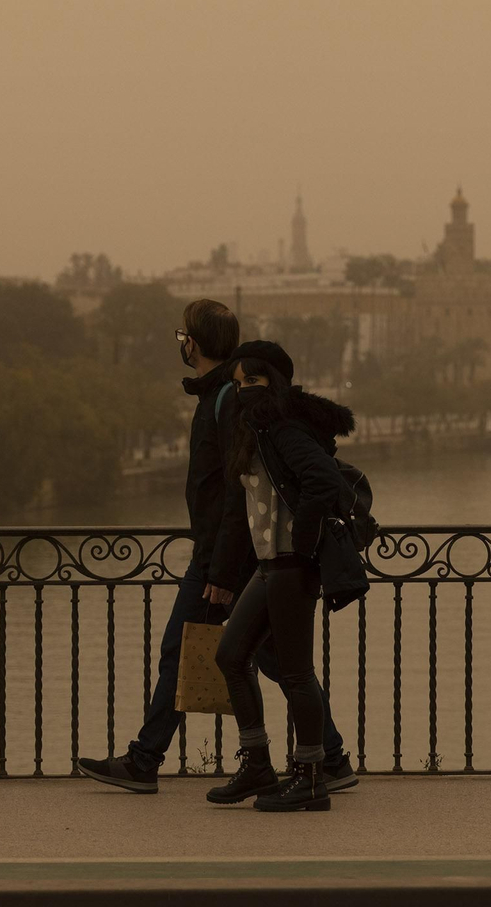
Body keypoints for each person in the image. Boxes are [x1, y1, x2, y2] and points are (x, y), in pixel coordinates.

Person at [77, 304, 354, 795]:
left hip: (223, 560)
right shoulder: (225, 394)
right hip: (235, 556)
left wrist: (222, 571)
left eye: (182, 335)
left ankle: (145, 760)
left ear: (194, 343)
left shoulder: (228, 397)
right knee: (271, 659)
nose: (181, 344)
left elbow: (235, 489)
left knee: (181, 652)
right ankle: (329, 759)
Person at [207, 341, 353, 812]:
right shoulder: (256, 431)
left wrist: (304, 540)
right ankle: (257, 764)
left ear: (274, 381)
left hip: (291, 565)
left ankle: (311, 775)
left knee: (295, 673)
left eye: (252, 381)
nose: (242, 390)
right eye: (236, 383)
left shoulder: (285, 428)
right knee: (230, 655)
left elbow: (324, 481)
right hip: (269, 565)